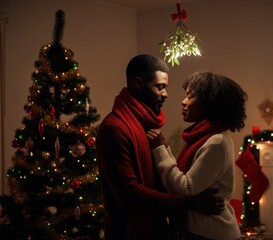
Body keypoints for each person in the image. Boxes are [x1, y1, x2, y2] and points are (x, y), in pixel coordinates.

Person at [96, 55, 224, 240]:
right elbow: (131, 194)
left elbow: (159, 180)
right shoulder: (115, 128)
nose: (166, 94)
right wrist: (192, 203)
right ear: (138, 84)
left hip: (156, 230)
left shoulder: (145, 125)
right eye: (160, 87)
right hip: (127, 233)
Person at [147, 71, 248, 240]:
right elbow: (184, 178)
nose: (183, 102)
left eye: (190, 96)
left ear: (210, 104)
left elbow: (185, 188)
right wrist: (165, 149)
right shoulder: (205, 137)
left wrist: (160, 150)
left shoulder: (216, 142)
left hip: (212, 234)